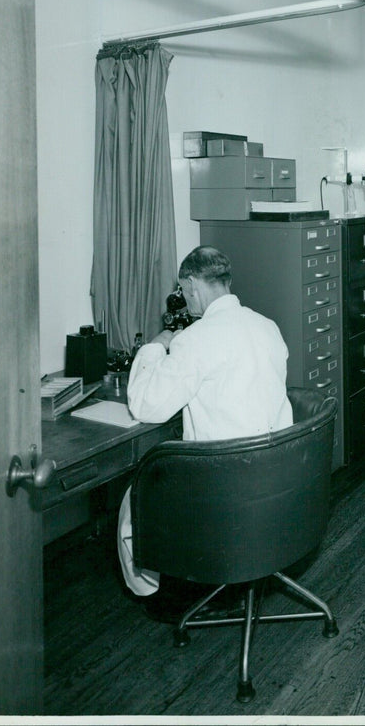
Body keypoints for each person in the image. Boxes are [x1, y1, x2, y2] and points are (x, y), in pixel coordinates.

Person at [117, 245, 292, 615]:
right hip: (277, 480)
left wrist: (155, 346)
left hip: (227, 490)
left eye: (184, 291)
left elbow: (145, 406)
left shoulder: (193, 342)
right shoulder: (268, 327)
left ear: (193, 285)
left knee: (135, 493)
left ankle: (158, 597)